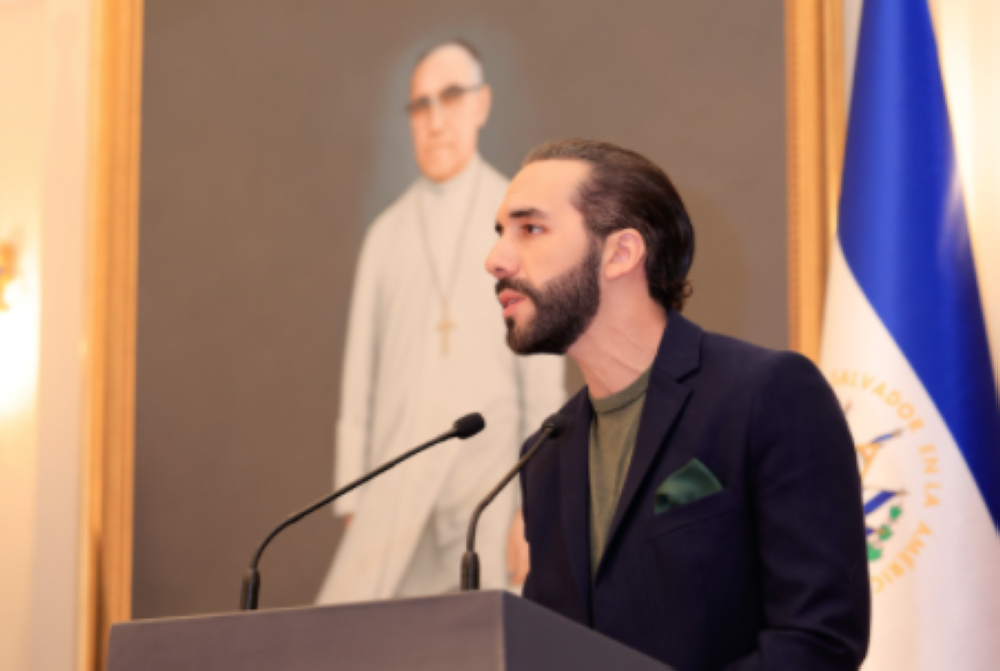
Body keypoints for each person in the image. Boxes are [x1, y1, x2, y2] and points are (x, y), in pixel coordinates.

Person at [485, 139, 870, 669]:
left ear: (621, 253)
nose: (496, 260)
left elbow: (818, 640)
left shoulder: (768, 394)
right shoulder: (546, 455)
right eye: (500, 233)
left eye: (530, 229)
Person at [315, 41, 564, 604]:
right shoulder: (387, 234)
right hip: (397, 482)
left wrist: (535, 504)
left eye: (450, 98)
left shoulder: (521, 224)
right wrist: (353, 500)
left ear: (481, 104)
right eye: (421, 106)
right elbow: (361, 377)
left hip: (489, 482)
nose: (435, 120)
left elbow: (543, 381)